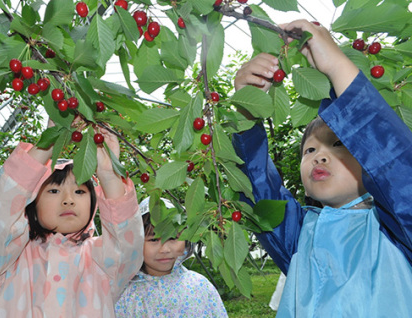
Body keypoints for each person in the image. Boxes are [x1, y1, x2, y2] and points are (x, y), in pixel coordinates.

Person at [232, 19, 412, 317]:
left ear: (368, 156)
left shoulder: (395, 230)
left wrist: (338, 68)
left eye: (338, 144)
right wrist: (247, 111)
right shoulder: (300, 235)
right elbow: (258, 190)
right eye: (310, 149)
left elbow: (397, 169)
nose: (319, 156)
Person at [0, 120, 144, 317]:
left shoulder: (101, 260)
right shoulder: (11, 259)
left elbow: (127, 246)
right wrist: (49, 142)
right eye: (54, 190)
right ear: (33, 204)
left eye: (79, 191)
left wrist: (108, 176)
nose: (68, 200)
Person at [115, 197, 228, 317]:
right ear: (137, 243)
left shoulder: (200, 286)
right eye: (153, 240)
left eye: (173, 238)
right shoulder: (127, 295)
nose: (165, 249)